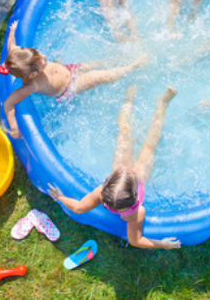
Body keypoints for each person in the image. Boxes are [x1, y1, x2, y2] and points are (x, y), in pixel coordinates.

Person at [48, 86, 181, 249]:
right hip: (129, 175)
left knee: (137, 138)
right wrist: (162, 244)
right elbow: (135, 240)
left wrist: (60, 197)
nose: (124, 217)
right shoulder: (120, 203)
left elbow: (80, 208)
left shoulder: (119, 203)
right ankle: (144, 102)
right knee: (137, 138)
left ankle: (148, 102)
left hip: (128, 174)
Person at [0, 21, 148, 139]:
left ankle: (122, 60)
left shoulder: (22, 58)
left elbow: (12, 47)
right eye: (41, 62)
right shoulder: (31, 86)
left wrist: (12, 31)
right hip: (69, 87)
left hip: (69, 69)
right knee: (98, 76)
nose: (44, 57)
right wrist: (13, 127)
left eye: (39, 54)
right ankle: (133, 66)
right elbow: (9, 103)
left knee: (97, 63)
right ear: (32, 75)